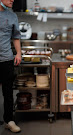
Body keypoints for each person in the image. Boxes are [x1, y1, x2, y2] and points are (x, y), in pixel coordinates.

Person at [0, 0, 21, 133]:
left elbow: (16, 37)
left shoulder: (12, 16)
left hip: (7, 58)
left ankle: (9, 120)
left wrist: (18, 53)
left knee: (8, 92)